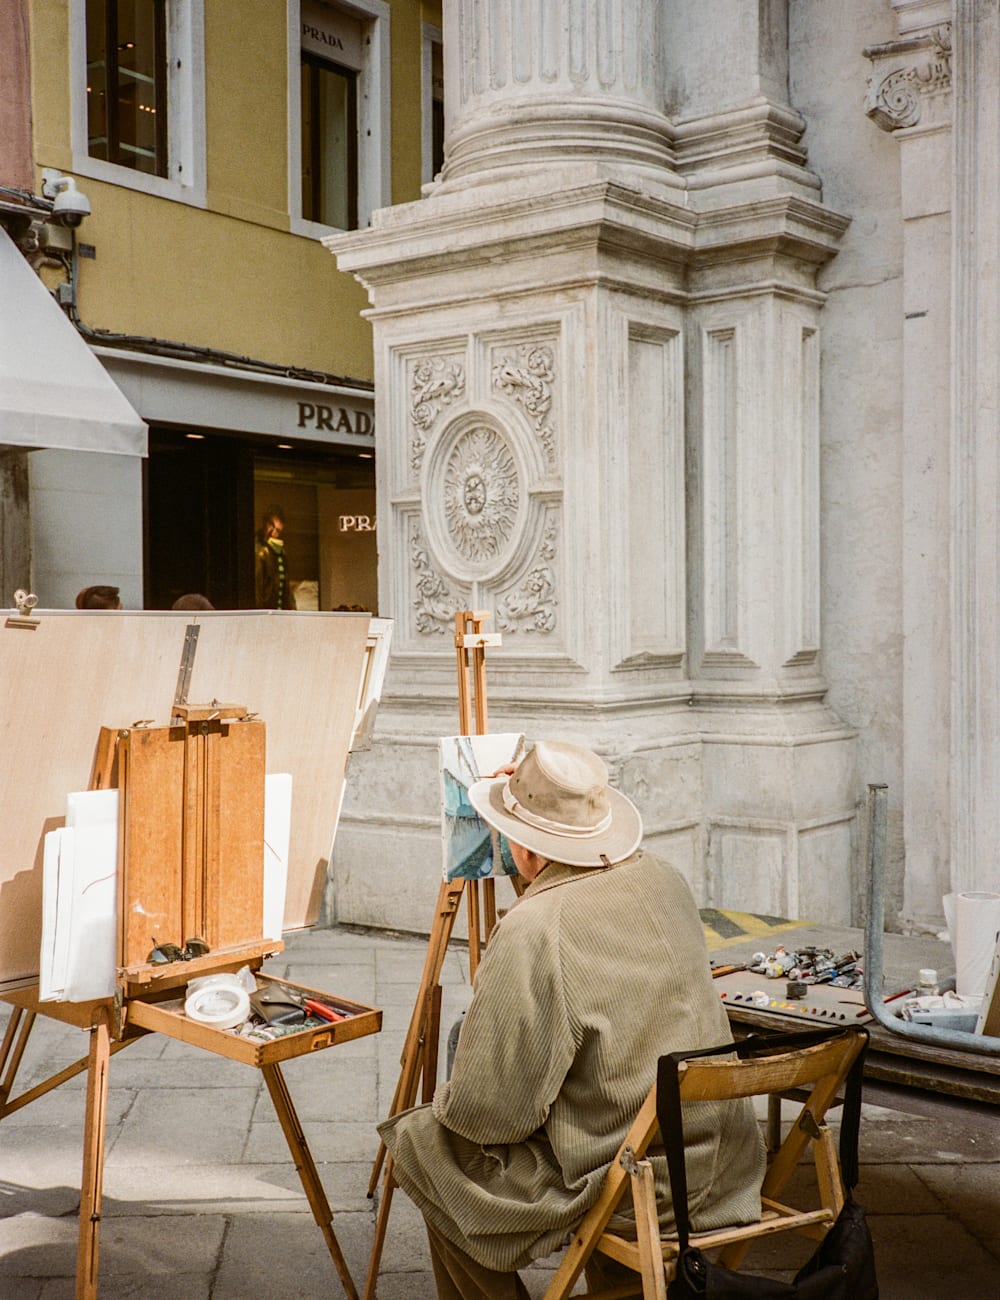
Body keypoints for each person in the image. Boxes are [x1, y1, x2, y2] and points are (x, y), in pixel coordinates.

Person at [379, 740, 766, 1299]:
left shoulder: (532, 929)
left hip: (634, 1182)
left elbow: (489, 1118)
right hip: (722, 1158)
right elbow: (572, 918)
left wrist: (450, 1101)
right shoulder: (664, 878)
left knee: (423, 1145)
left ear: (523, 843)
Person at [254, 505, 296, 609]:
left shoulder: (281, 553)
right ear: (265, 524)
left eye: (277, 530)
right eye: (271, 526)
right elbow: (257, 588)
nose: (273, 532)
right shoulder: (256, 549)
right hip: (262, 610)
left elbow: (286, 587)